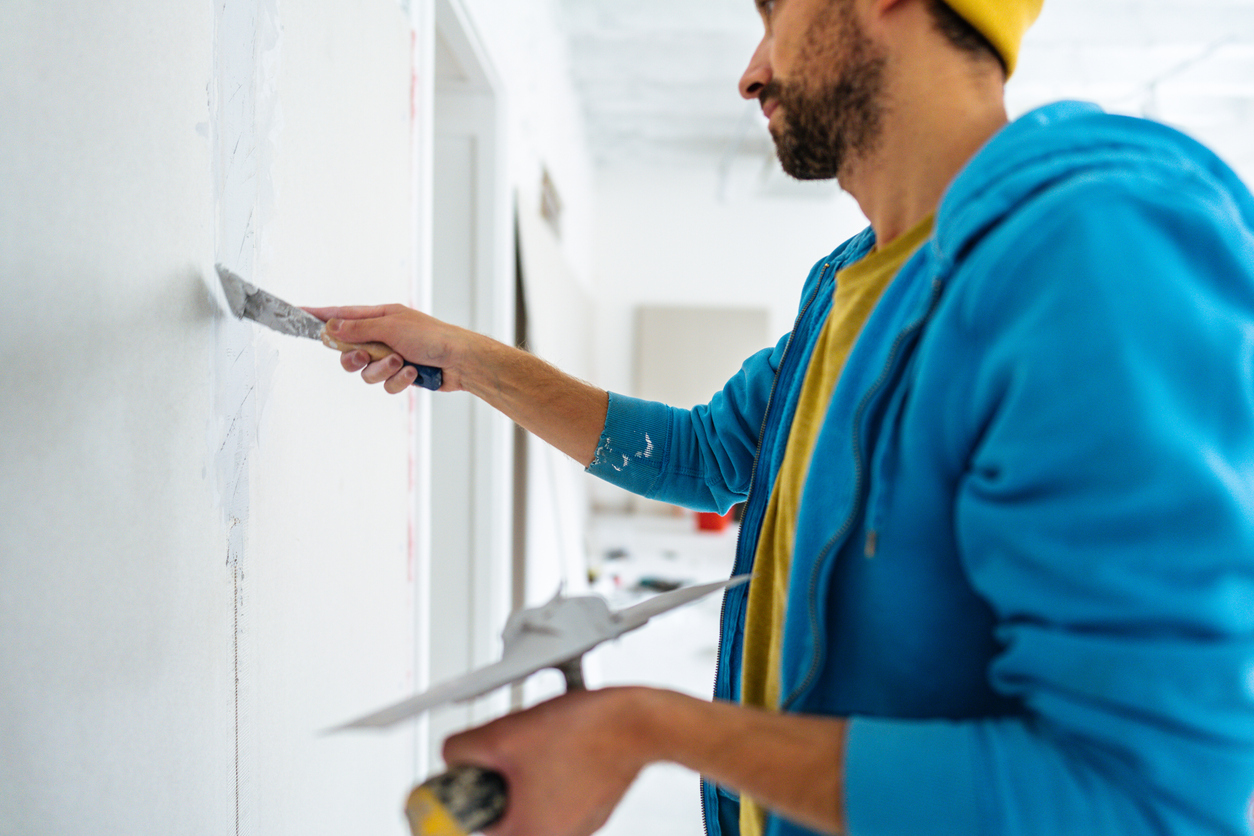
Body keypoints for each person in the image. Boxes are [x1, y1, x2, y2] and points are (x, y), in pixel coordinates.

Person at [308, 0, 1254, 833]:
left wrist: (651, 728)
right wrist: (472, 360)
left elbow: (1141, 800)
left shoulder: (1087, 253)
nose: (750, 71)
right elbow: (702, 454)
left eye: (772, 13)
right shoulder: (846, 287)